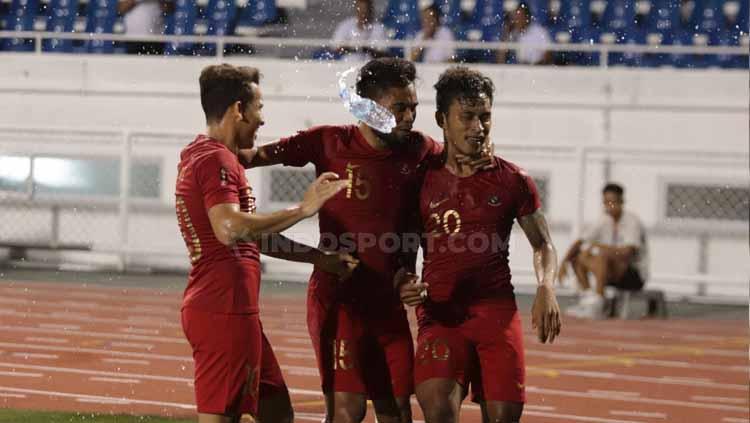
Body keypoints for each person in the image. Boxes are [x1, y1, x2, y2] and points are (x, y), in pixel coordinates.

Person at [240, 58, 491, 423]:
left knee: (398, 411)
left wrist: (409, 273)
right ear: (368, 107)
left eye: (414, 108)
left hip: (388, 302)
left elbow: (465, 163)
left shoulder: (422, 150)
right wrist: (204, 160)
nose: (409, 117)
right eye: (400, 108)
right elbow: (246, 157)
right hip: (339, 299)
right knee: (348, 411)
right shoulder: (327, 141)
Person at [175, 64, 358, 423]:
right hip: (224, 309)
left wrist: (319, 259)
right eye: (259, 108)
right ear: (238, 109)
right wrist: (303, 209)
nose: (262, 119)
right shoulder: (216, 159)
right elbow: (231, 229)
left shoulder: (205, 155)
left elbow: (251, 235)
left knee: (277, 414)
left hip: (232, 309)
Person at [396, 66, 562, 423]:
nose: (478, 127)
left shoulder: (512, 180)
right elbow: (404, 247)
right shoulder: (420, 177)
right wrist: (404, 280)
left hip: (496, 314)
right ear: (442, 118)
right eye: (467, 117)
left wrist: (546, 286)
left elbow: (543, 244)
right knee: (438, 411)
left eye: (485, 117)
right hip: (440, 314)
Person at [558, 183, 649, 319]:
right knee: (578, 256)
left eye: (613, 202)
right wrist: (563, 263)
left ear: (622, 202)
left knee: (602, 255)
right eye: (606, 202)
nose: (609, 206)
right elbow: (580, 241)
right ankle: (589, 300)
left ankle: (599, 304)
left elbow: (627, 253)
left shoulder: (632, 221)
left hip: (633, 274)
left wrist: (598, 248)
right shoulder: (603, 220)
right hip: (610, 271)